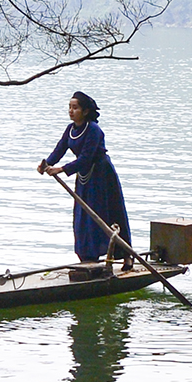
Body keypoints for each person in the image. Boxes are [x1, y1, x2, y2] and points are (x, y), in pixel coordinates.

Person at [36, 91, 132, 269]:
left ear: (85, 111)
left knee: (109, 213)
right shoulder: (70, 129)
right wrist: (46, 163)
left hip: (102, 175)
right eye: (69, 107)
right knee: (83, 217)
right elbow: (60, 149)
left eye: (75, 108)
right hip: (84, 176)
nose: (71, 111)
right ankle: (89, 257)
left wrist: (62, 169)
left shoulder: (93, 130)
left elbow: (86, 158)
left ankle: (126, 255)